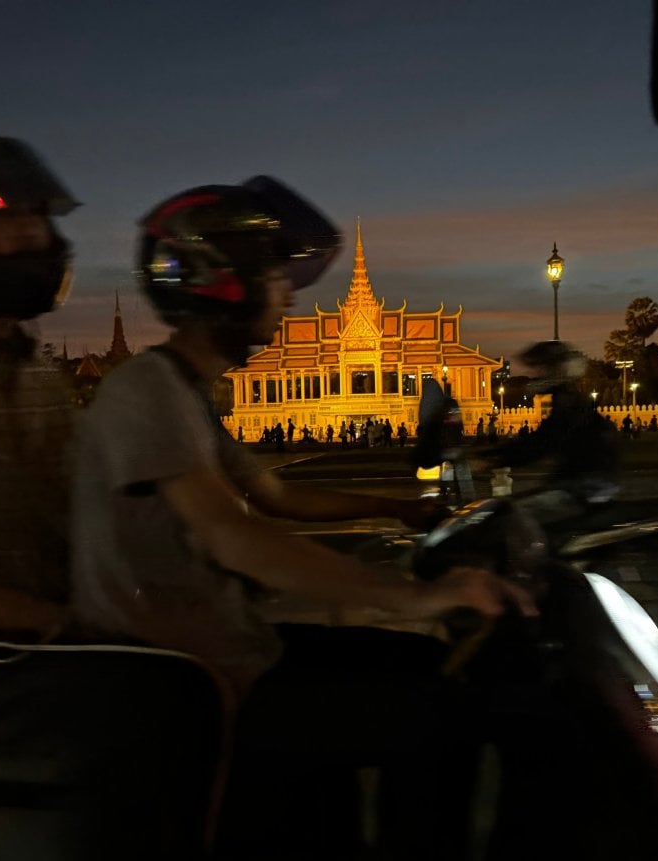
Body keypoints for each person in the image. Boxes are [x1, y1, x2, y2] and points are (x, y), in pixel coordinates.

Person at [69, 176, 536, 860]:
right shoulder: (142, 389)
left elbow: (276, 496)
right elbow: (232, 533)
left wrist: (398, 507)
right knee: (442, 717)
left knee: (430, 663)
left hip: (232, 645)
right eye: (272, 277)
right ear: (221, 285)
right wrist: (414, 594)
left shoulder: (188, 392)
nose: (288, 294)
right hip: (190, 680)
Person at [0, 130, 228, 858]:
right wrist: (78, 625)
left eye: (37, 220)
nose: (31, 237)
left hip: (48, 644)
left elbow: (80, 515)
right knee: (175, 699)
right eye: (5, 221)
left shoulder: (37, 371)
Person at [485, 341, 621, 504]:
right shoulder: (568, 400)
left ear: (555, 370)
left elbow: (541, 443)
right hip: (577, 484)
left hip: (586, 489)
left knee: (514, 516)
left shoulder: (568, 404)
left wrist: (492, 459)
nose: (533, 375)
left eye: (539, 368)